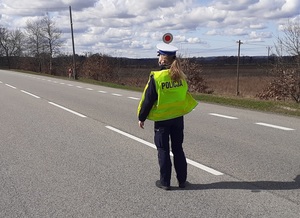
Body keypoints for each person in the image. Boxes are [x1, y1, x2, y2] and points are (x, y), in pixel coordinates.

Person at [137, 43, 198, 190]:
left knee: (163, 150)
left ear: (163, 60)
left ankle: (165, 182)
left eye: (159, 56)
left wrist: (142, 117)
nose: (158, 58)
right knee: (178, 149)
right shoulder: (181, 76)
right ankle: (182, 181)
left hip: (162, 120)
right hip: (178, 118)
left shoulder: (157, 77)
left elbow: (148, 99)